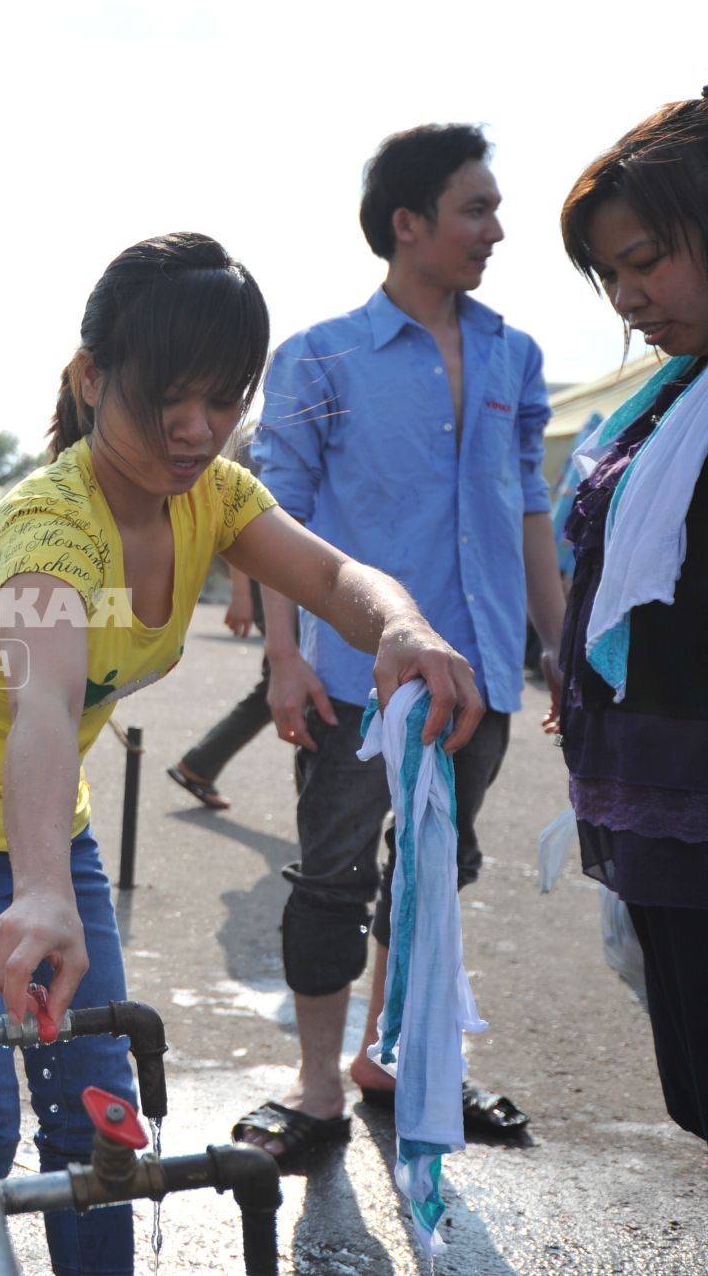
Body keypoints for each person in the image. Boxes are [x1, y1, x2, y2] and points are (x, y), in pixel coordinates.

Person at [0, 233, 480, 1275]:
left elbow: (335, 580)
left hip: (52, 826)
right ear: (94, 378)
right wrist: (40, 887)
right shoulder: (50, 527)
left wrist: (404, 627)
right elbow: (44, 705)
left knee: (98, 1110)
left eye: (225, 400)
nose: (198, 431)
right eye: (169, 401)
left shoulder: (215, 495)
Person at [240, 123, 560, 1159]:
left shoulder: (515, 351)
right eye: (476, 209)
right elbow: (272, 513)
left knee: (436, 870)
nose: (496, 230)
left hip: (479, 666)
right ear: (406, 223)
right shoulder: (320, 357)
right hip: (352, 671)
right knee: (334, 874)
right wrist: (283, 656)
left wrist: (556, 652)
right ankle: (318, 1085)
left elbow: (529, 511)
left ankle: (396, 1058)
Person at [556, 87, 708, 1142]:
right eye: (612, 275)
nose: (628, 296)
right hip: (659, 802)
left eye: (647, 259)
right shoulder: (665, 397)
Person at [167, 428, 270, 811]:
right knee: (284, 682)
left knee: (284, 685)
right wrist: (240, 592)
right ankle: (199, 764)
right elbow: (241, 524)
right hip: (268, 579)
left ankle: (200, 764)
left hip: (284, 580)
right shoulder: (260, 437)